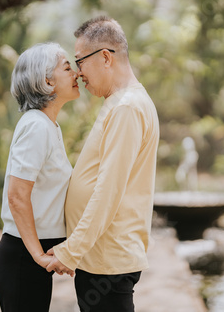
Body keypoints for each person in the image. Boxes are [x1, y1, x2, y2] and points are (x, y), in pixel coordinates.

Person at [46, 16, 160, 312]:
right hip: (100, 260)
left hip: (108, 265)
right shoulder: (119, 103)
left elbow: (108, 192)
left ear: (106, 57)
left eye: (80, 61)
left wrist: (71, 251)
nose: (78, 72)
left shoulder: (127, 108)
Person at [0, 42, 78, 312]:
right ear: (47, 81)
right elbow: (17, 197)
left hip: (30, 257)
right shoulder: (36, 126)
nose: (76, 73)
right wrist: (39, 256)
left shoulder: (49, 125)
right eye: (67, 67)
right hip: (22, 258)